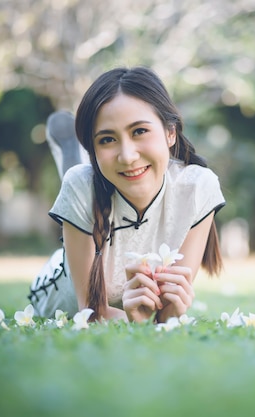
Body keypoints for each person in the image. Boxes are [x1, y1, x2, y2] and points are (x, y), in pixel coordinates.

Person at [28, 66, 225, 323]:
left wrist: (170, 311)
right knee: (81, 184)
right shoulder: (80, 187)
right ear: (95, 149)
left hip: (96, 189)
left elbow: (168, 311)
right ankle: (77, 175)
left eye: (139, 131)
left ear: (170, 132)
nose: (128, 155)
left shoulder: (198, 188)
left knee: (87, 181)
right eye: (107, 139)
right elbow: (89, 314)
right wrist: (134, 321)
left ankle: (76, 164)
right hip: (58, 284)